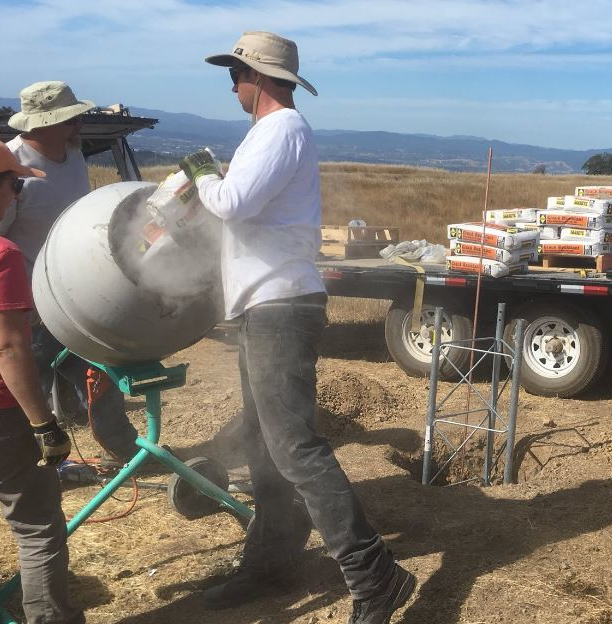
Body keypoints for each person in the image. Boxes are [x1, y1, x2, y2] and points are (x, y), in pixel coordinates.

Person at [179, 31, 416, 622]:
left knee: (295, 448)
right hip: (267, 306)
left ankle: (374, 572)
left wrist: (202, 172)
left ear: (256, 77)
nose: (231, 85)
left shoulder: (282, 128)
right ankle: (271, 564)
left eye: (234, 75)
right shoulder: (271, 133)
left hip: (280, 307)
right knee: (264, 445)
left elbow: (233, 203)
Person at [0, 81, 139, 465]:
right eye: (70, 119)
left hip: (74, 294)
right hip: (30, 302)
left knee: (101, 376)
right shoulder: (10, 165)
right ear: (43, 124)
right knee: (31, 384)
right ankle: (32, 461)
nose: (78, 125)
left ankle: (123, 451)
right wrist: (21, 298)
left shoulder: (73, 156)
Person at [0, 134, 83, 623]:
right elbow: (9, 347)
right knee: (37, 524)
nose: (15, 197)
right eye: (12, 187)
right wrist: (44, 424)